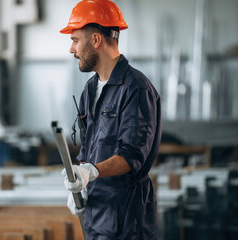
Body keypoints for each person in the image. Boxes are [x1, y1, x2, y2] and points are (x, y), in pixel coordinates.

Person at [60, 0, 162, 239]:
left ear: (96, 40)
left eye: (75, 40)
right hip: (96, 215)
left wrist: (91, 171)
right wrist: (80, 184)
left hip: (127, 219)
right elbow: (88, 148)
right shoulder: (90, 88)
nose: (71, 49)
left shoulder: (136, 89)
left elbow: (132, 156)